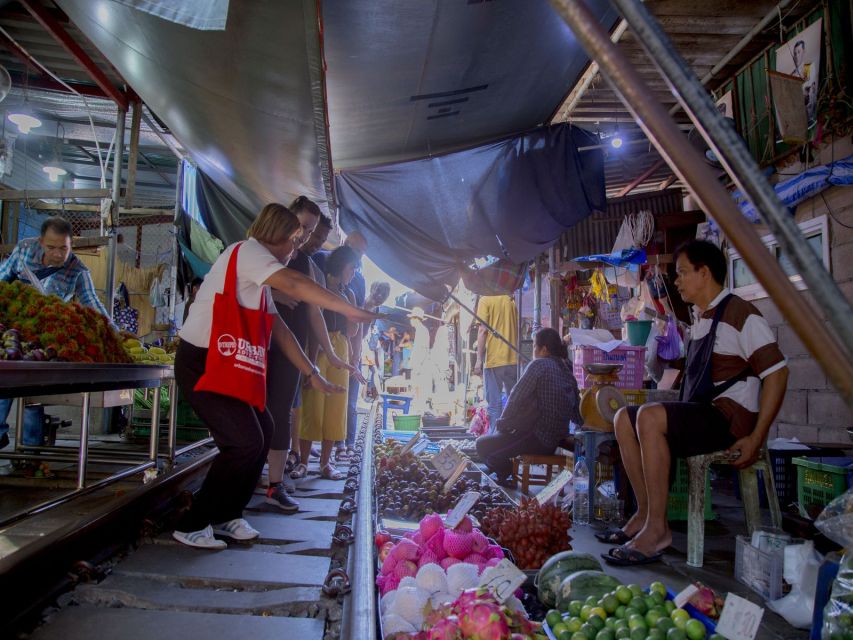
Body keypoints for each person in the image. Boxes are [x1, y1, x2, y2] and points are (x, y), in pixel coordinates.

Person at [173, 203, 375, 549]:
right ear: (275, 236)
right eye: (293, 241)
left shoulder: (258, 275)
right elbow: (295, 285)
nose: (295, 249)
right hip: (201, 362)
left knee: (264, 429)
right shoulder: (248, 252)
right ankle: (194, 522)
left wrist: (311, 372)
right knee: (243, 440)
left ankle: (227, 515)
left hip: (225, 362)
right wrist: (349, 309)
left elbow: (279, 330)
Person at [602, 240, 788, 565]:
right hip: (703, 414)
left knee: (648, 417)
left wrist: (757, 436)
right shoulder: (701, 319)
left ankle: (658, 529)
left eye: (683, 273)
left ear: (704, 273)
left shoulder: (741, 314)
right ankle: (645, 516)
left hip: (728, 422)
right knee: (624, 419)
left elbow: (777, 373)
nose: (677, 281)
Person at [264, 197, 359, 513]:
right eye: (303, 227)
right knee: (258, 413)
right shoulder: (259, 252)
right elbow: (244, 285)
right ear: (284, 219)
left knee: (281, 412)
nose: (306, 236)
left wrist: (329, 354)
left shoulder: (305, 263)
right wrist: (272, 293)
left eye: (313, 231)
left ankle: (274, 484)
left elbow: (315, 310)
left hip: (291, 347)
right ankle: (257, 472)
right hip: (257, 344)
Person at [0, 216, 116, 448]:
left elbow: (93, 303)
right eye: (51, 247)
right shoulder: (23, 251)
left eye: (63, 248)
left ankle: (30, 451)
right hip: (12, 332)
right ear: (41, 242)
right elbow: (2, 280)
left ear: (71, 245)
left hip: (45, 337)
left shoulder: (78, 271)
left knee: (33, 391)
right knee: (4, 382)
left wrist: (115, 333)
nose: (57, 253)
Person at [475, 328, 581, 486]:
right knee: (495, 446)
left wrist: (502, 424)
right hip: (555, 439)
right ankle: (502, 472)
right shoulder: (567, 370)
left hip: (537, 437)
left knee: (483, 446)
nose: (534, 350)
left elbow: (516, 397)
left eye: (534, 346)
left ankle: (507, 475)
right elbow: (577, 414)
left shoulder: (539, 365)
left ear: (544, 349)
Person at [295, 246, 361, 481]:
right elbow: (312, 323)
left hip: (340, 347)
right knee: (312, 404)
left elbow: (352, 331)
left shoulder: (349, 294)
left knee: (336, 404)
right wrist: (310, 360)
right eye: (352, 268)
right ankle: (303, 462)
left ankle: (325, 462)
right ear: (340, 265)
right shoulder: (319, 288)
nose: (353, 273)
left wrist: (354, 313)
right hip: (318, 346)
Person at [472, 294, 519, 433]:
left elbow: (482, 330)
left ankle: (496, 437)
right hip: (512, 358)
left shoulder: (485, 300)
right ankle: (512, 436)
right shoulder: (510, 299)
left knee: (495, 404)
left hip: (495, 360)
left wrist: (479, 360)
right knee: (513, 401)